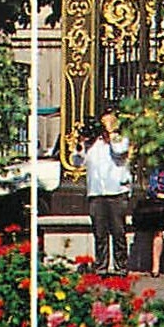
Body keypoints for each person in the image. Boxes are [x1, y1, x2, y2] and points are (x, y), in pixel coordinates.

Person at [71, 109, 132, 276]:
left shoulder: (119, 138)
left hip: (116, 192)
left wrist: (112, 132)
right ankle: (101, 268)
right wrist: (80, 144)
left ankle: (121, 267)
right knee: (99, 233)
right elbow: (77, 162)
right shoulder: (92, 144)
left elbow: (120, 151)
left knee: (118, 232)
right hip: (96, 193)